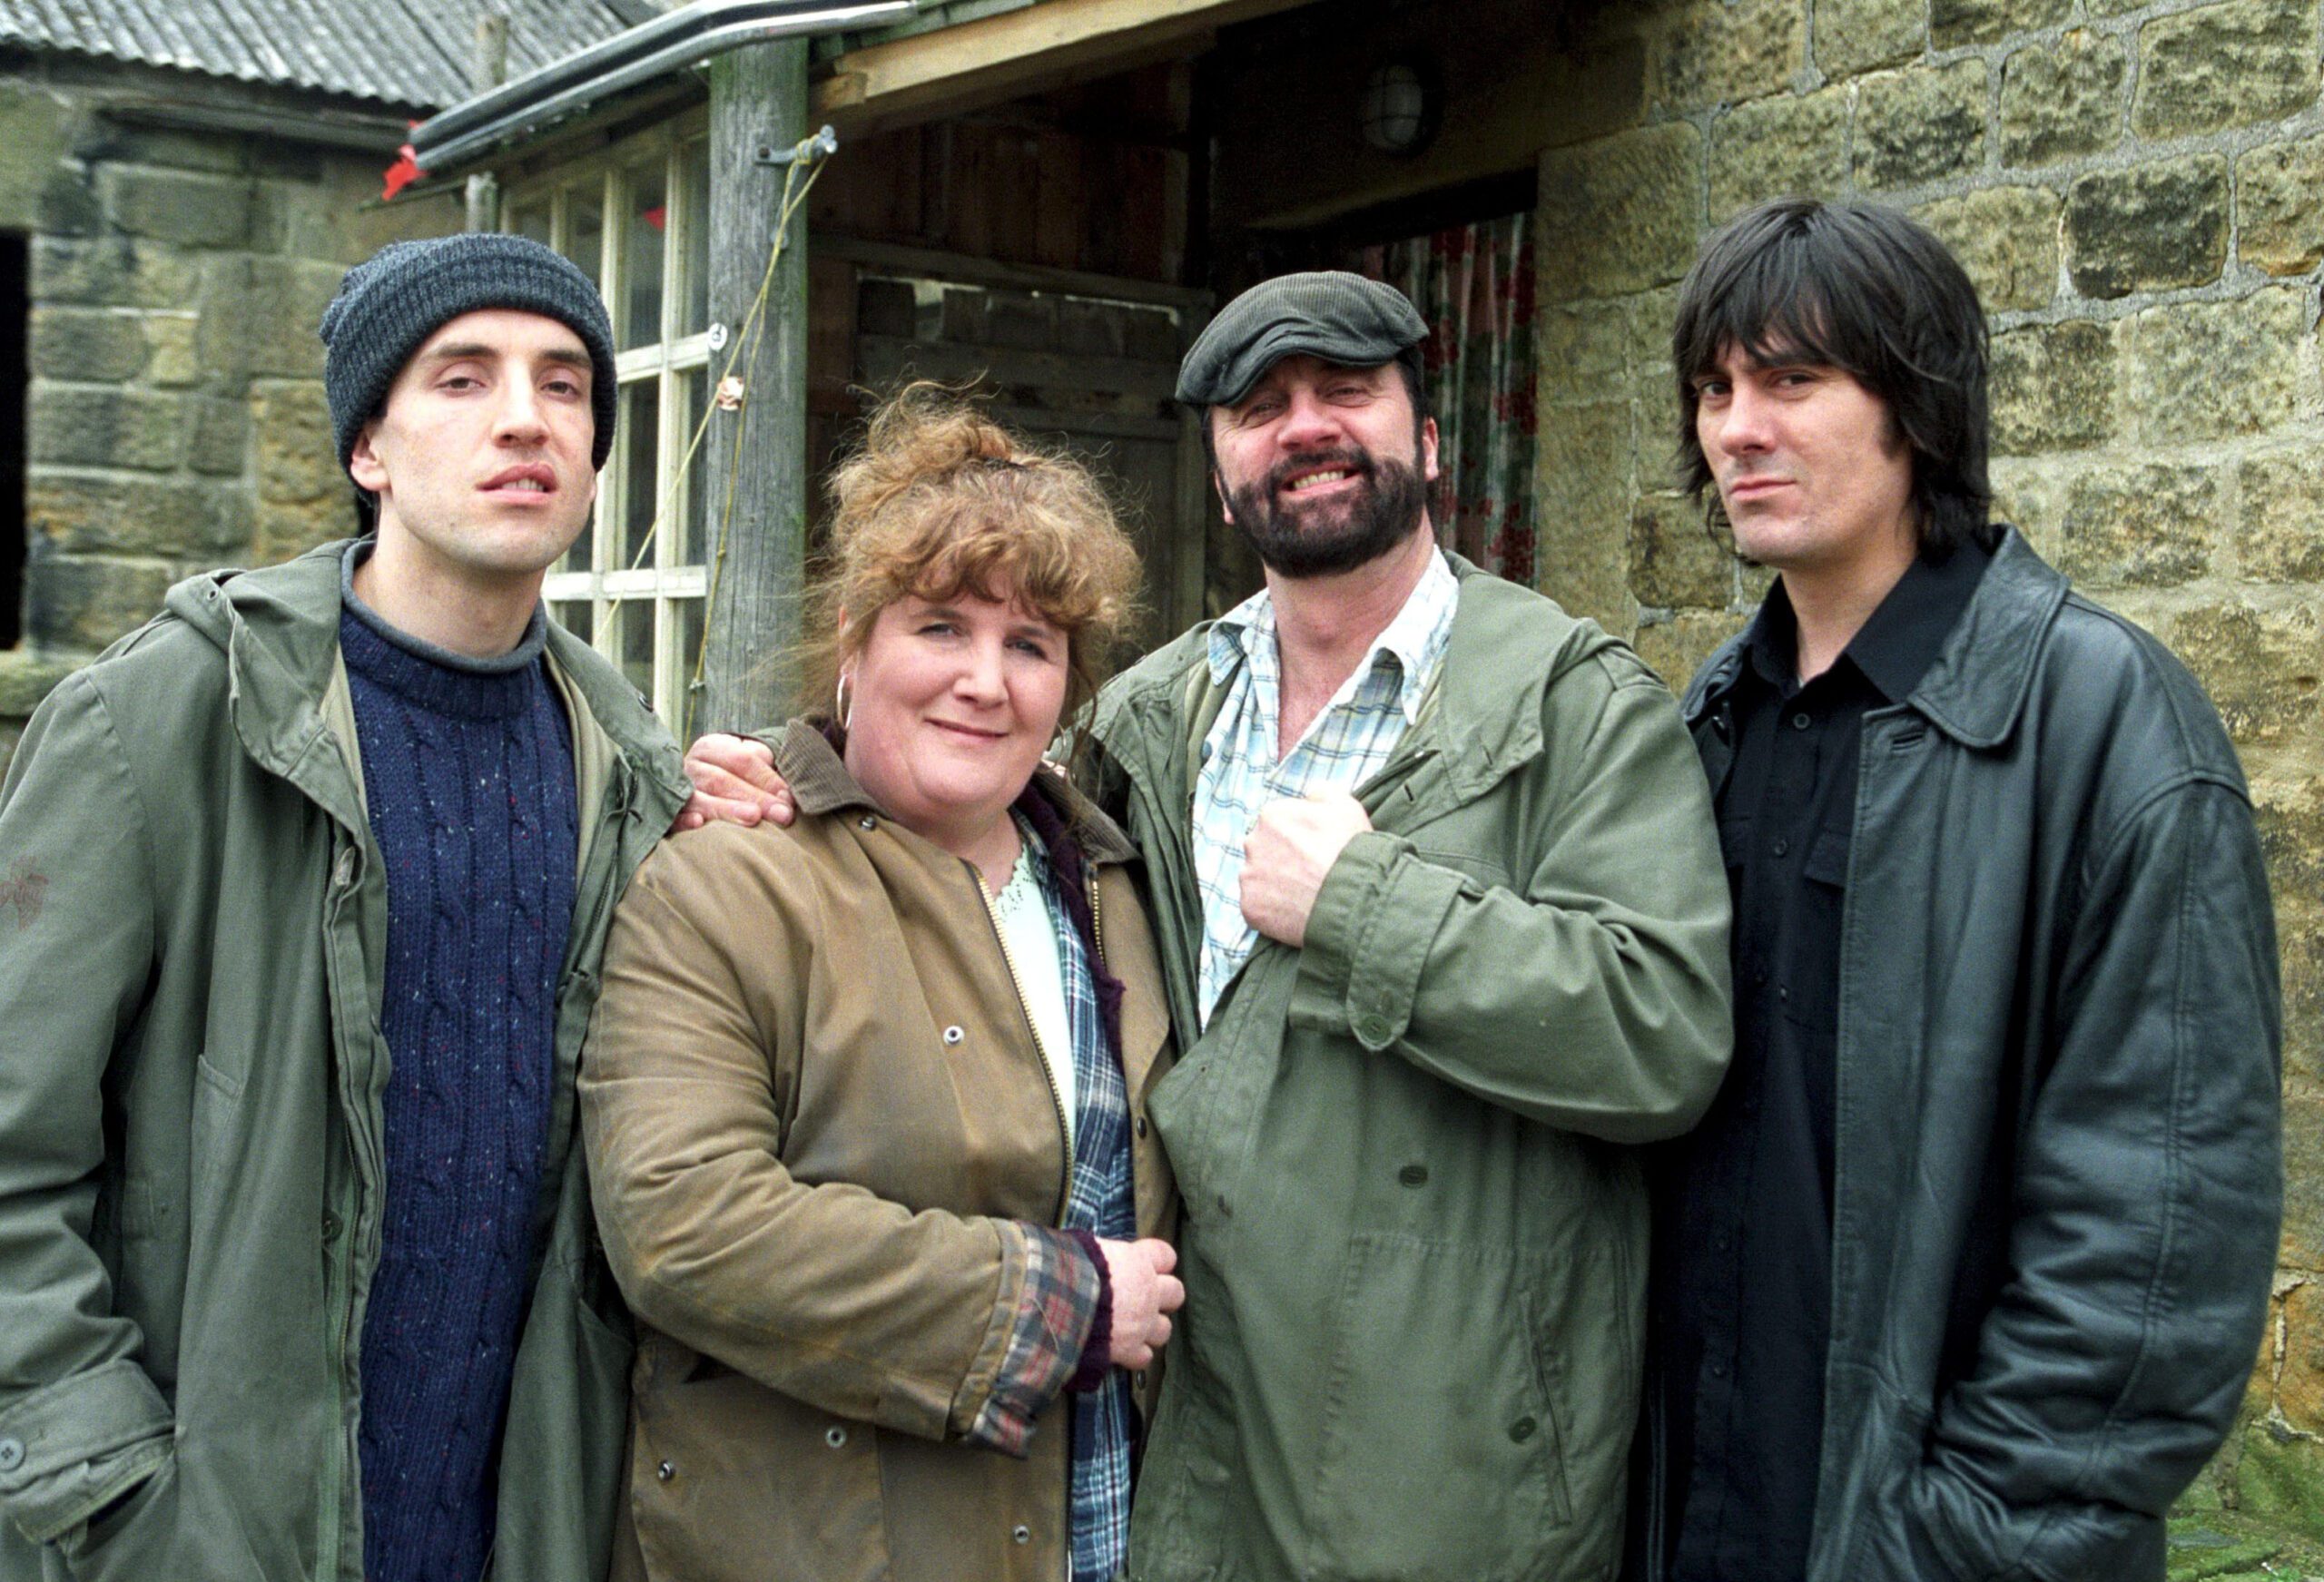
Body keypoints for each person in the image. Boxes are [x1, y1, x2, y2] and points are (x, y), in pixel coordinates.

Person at [683, 273, 1734, 1581]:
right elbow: (961, 798)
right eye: (1259, 406)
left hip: (1448, 1474)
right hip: (1190, 1441)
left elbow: (1665, 1034)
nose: (1303, 426)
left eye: (1346, 390)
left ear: (1430, 438)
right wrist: (785, 775)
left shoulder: (1578, 707)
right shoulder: (1155, 716)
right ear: (1223, 468)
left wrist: (1364, 903)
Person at [0, 232, 689, 1582]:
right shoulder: (161, 726)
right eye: (461, 378)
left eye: (564, 386)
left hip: (507, 1534)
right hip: (199, 1536)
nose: (521, 419)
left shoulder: (633, 774)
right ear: (368, 447)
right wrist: (109, 1492)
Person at [1632, 197, 2281, 1582]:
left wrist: (1960, 1544)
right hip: (1695, 1521)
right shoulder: (1707, 725)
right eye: (1715, 387)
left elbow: (2154, 1241)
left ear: (1918, 401)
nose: (1739, 426)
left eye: (1793, 379)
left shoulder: (2107, 725)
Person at [579, 385, 1181, 1582]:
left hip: (1096, 1529)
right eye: (941, 628)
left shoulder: (1116, 890)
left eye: (1031, 646)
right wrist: (1045, 1306)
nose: (985, 681)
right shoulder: (728, 884)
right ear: (854, 637)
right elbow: (681, 1226)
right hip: (822, 1543)